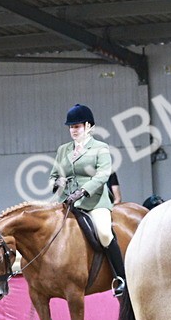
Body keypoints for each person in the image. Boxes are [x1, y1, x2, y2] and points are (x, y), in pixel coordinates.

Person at [49, 104, 127, 296]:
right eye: (71, 127)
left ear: (88, 126)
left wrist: (83, 191)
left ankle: (121, 278)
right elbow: (53, 174)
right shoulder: (63, 150)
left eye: (77, 126)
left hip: (94, 202)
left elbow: (103, 175)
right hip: (67, 201)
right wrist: (57, 182)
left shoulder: (100, 148)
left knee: (105, 234)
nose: (73, 130)